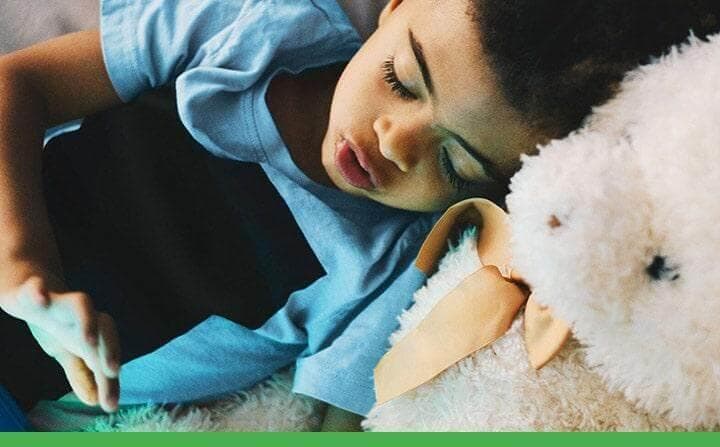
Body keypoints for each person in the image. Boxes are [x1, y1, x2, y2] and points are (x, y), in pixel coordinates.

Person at [0, 0, 718, 431]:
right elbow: (20, 82)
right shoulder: (252, 30)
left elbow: (328, 422)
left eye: (457, 163)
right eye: (401, 79)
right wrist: (25, 263)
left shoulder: (389, 276)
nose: (393, 142)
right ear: (398, 8)